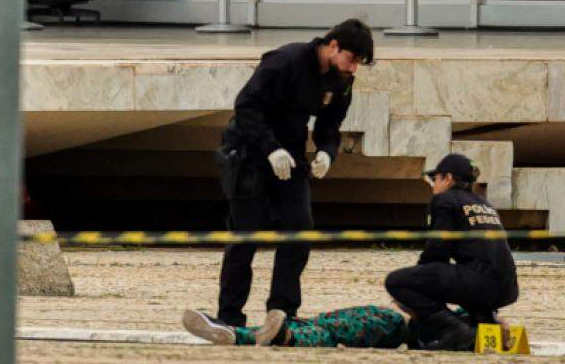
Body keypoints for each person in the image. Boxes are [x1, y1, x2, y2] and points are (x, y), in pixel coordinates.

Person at [211, 19, 374, 328]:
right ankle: (229, 316)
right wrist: (270, 148)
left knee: (300, 229)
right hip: (249, 151)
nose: (353, 68)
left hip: (291, 155)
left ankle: (283, 311)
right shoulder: (286, 60)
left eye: (359, 64)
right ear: (334, 46)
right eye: (352, 59)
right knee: (246, 236)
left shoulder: (341, 80)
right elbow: (246, 106)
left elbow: (330, 125)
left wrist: (327, 151)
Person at [385, 153, 519, 351]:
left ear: (447, 178)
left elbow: (437, 250)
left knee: (396, 281)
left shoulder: (445, 200)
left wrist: (417, 284)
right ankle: (487, 323)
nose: (434, 184)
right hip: (508, 288)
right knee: (465, 272)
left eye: (435, 178)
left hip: (481, 283)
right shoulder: (484, 204)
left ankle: (453, 329)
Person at [182, 305, 407, 348]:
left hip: (395, 329)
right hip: (321, 324)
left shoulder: (394, 322)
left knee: (325, 333)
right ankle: (232, 334)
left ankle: (283, 335)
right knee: (315, 328)